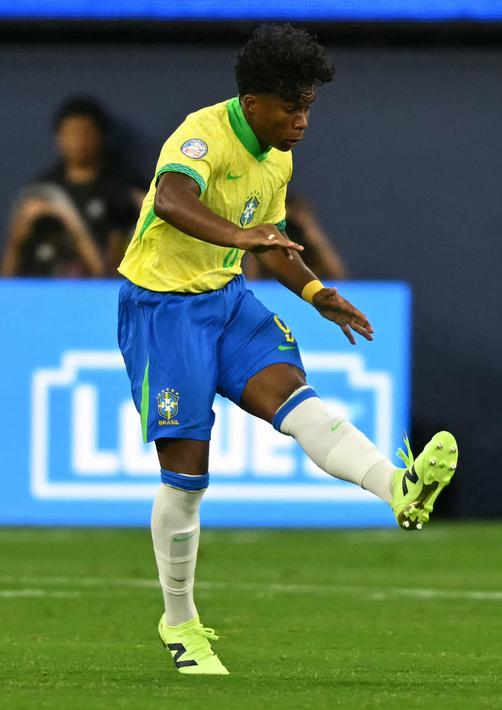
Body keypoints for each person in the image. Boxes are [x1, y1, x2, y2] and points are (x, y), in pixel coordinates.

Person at [115, 24, 459, 676]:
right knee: (187, 475)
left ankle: (399, 489)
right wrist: (240, 236)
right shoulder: (203, 135)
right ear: (254, 103)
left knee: (298, 402)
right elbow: (170, 199)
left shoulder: (277, 157)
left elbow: (270, 240)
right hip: (162, 310)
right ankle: (180, 620)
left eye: (309, 107)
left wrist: (314, 291)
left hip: (227, 302)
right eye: (292, 107)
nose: (302, 121)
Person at [35, 96, 143, 272]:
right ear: (58, 137)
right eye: (71, 133)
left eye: (86, 132)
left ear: (102, 135)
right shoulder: (44, 191)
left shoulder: (125, 187)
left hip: (111, 286)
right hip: (52, 289)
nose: (79, 141)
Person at [2, 183, 105, 277]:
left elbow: (100, 276)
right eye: (37, 221)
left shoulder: (72, 246)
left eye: (47, 219)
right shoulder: (21, 250)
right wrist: (15, 246)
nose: (43, 226)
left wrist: (76, 232)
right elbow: (5, 288)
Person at [244, 192, 347, 281]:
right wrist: (263, 233)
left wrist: (308, 227)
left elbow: (337, 274)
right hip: (274, 291)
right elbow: (252, 280)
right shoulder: (269, 245)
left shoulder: (307, 241)